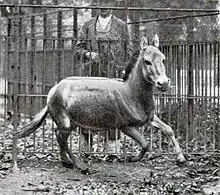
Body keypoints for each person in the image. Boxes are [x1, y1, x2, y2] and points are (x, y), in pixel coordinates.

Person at [76, 0, 133, 154]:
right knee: (88, 108)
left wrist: (121, 69)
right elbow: (78, 50)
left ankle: (112, 150)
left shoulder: (121, 26)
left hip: (113, 76)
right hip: (91, 75)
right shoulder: (88, 25)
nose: (103, 5)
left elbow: (129, 51)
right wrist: (88, 54)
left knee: (114, 109)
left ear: (113, 5)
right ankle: (86, 148)